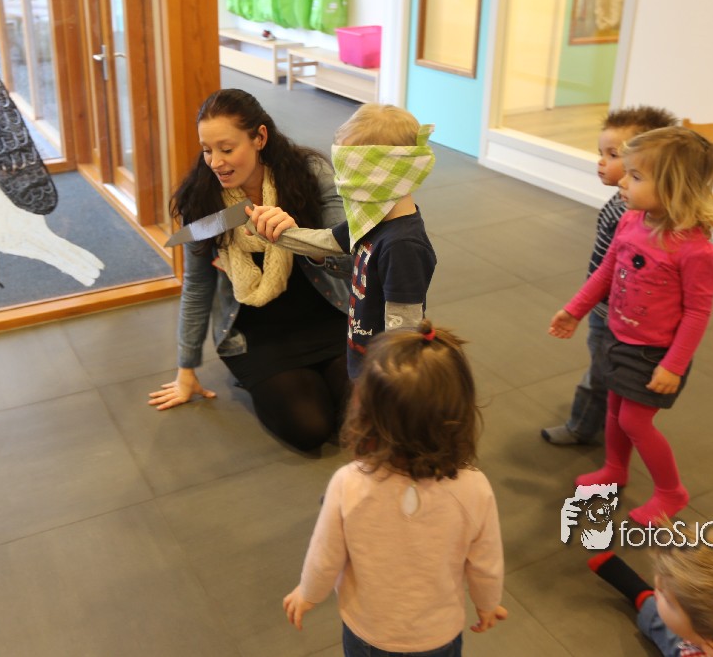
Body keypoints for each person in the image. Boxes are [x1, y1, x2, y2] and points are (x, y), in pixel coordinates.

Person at [282, 320, 506, 657]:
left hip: (368, 632)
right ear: (460, 414)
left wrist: (308, 593)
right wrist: (487, 603)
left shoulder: (349, 483)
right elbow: (486, 562)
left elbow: (325, 554)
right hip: (437, 634)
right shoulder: (474, 487)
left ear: (365, 414)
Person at [148, 89, 351, 452]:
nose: (216, 162)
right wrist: (186, 370)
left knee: (365, 417)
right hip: (257, 335)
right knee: (311, 429)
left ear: (259, 137)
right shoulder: (202, 199)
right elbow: (197, 286)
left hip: (327, 316)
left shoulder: (309, 174)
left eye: (227, 149)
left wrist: (302, 239)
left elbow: (351, 262)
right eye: (207, 150)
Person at [549, 126, 713, 525]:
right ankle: (615, 469)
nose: (623, 183)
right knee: (614, 409)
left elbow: (698, 313)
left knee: (634, 420)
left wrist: (673, 366)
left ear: (674, 187)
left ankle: (671, 492)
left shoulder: (695, 251)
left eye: (636, 176)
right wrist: (575, 310)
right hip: (618, 335)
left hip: (654, 353)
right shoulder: (631, 221)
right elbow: (607, 271)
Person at [248, 104, 437, 379]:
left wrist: (384, 389)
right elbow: (325, 241)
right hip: (360, 359)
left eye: (352, 172)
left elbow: (403, 331)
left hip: (382, 377)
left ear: (384, 172)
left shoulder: (402, 246)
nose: (341, 183)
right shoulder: (371, 221)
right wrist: (277, 233)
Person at [543, 106, 678, 446]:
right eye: (601, 153)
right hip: (603, 304)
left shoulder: (635, 212)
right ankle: (607, 423)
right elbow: (607, 267)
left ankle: (582, 427)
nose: (601, 162)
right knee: (603, 368)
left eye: (613, 155)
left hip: (615, 312)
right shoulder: (624, 203)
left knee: (601, 373)